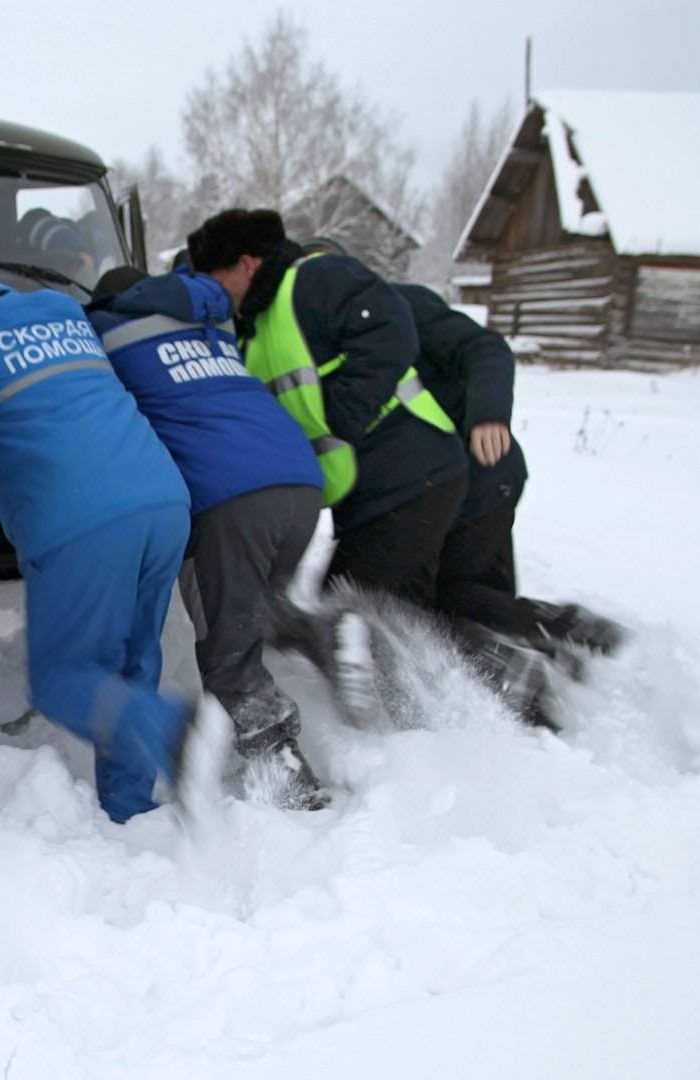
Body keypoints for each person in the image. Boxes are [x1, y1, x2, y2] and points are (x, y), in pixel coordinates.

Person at [0, 281, 230, 824]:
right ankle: (130, 809)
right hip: (163, 499)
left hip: (82, 518)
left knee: (61, 678)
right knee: (131, 665)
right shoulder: (65, 315)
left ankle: (171, 730)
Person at [86, 265, 335, 810]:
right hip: (300, 483)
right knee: (261, 614)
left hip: (230, 501)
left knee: (229, 651)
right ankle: (336, 641)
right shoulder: (209, 324)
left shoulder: (107, 330)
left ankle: (290, 779)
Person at [186, 210, 469, 609]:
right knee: (381, 616)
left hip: (411, 474)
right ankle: (446, 666)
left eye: (214, 280)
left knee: (349, 615)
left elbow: (392, 331)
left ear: (246, 264)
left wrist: (341, 416)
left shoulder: (316, 278)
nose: (213, 293)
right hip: (371, 493)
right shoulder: (254, 328)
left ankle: (432, 670)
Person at [397, 283, 627, 667]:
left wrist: (488, 414)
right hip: (452, 480)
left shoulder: (399, 303)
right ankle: (565, 649)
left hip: (478, 473)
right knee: (469, 601)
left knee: (459, 601)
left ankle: (576, 643)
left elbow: (485, 348)